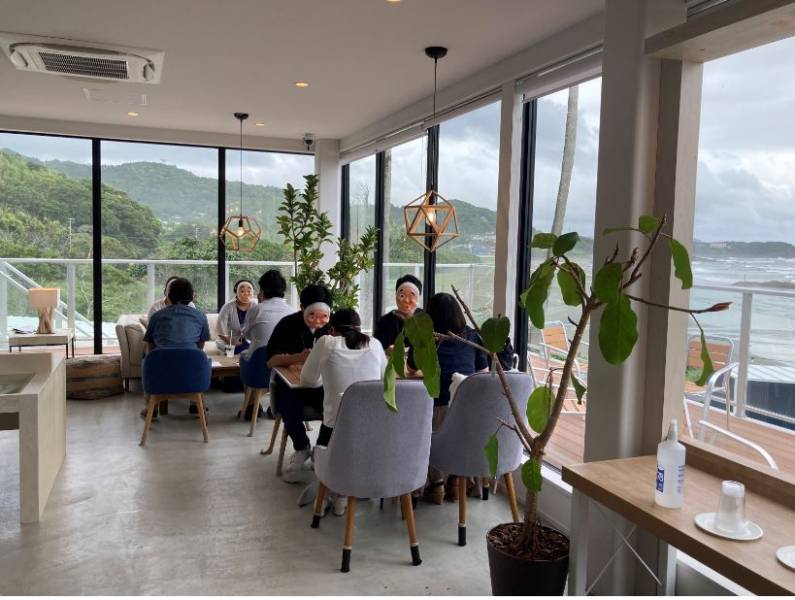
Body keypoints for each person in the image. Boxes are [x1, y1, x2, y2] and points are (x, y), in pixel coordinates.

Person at [299, 308, 387, 513]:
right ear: (360, 328)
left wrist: (326, 379)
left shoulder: (326, 343)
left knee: (330, 425)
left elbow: (307, 380)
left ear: (332, 329)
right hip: (370, 426)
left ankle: (327, 495)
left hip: (333, 428)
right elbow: (385, 379)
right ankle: (344, 494)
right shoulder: (375, 344)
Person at [407, 292, 488, 503]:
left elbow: (411, 368)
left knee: (424, 433)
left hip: (437, 405)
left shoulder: (426, 339)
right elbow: (483, 372)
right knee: (454, 435)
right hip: (467, 409)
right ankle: (456, 480)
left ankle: (437, 484)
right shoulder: (472, 337)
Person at [266, 284, 332, 481]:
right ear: (302, 307)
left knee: (338, 405)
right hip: (292, 387)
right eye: (312, 315)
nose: (318, 322)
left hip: (323, 385)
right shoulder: (287, 324)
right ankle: (302, 447)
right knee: (289, 404)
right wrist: (298, 357)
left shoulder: (333, 327)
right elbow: (271, 361)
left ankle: (321, 450)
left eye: (324, 316)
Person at [140, 278, 211, 419]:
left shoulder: (157, 316)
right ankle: (196, 404)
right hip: (191, 371)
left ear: (169, 295)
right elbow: (201, 344)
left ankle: (151, 407)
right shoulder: (200, 316)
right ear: (191, 296)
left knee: (148, 361)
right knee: (198, 360)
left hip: (161, 370)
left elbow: (151, 345)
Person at [241, 270, 294, 358]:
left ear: (262, 290)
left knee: (243, 355)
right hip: (284, 362)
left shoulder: (256, 310)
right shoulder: (292, 311)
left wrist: (260, 304)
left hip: (258, 360)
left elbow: (247, 335)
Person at [374, 274, 422, 350]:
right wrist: (387, 351)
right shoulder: (385, 322)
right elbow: (377, 350)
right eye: (402, 295)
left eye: (412, 294)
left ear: (418, 297)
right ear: (396, 295)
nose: (406, 300)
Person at [215, 279, 256, 354]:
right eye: (242, 291)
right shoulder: (227, 307)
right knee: (233, 350)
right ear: (236, 292)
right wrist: (230, 340)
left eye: (249, 291)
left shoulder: (257, 306)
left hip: (251, 341)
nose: (246, 293)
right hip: (230, 341)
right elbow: (220, 330)